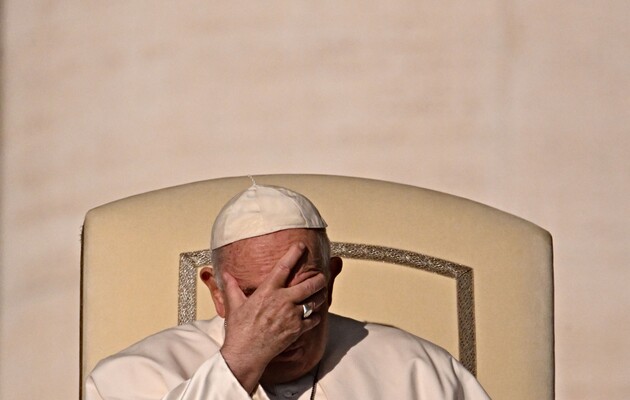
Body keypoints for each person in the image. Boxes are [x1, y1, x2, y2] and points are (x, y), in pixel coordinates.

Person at [86, 183, 490, 399]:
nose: (283, 321)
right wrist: (239, 361)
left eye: (302, 293)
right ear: (217, 293)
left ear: (331, 279)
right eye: (255, 296)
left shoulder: (418, 372)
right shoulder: (130, 378)